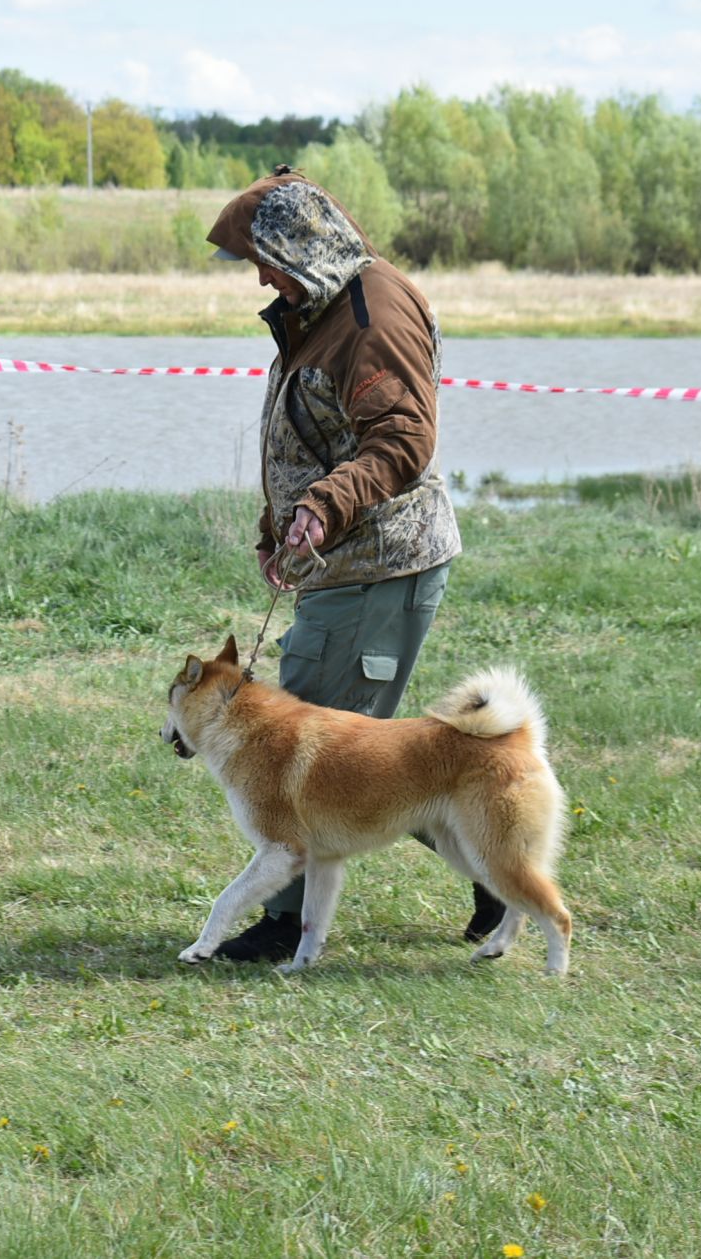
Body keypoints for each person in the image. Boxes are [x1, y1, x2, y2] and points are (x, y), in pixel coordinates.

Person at [203, 165, 505, 961]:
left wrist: (323, 507)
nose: (261, 278)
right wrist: (284, 525)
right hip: (344, 564)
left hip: (380, 565)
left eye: (265, 259)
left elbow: (402, 441)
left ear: (301, 246)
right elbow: (320, 434)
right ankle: (497, 879)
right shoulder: (324, 304)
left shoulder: (372, 314)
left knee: (304, 749)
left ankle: (282, 928)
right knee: (366, 764)